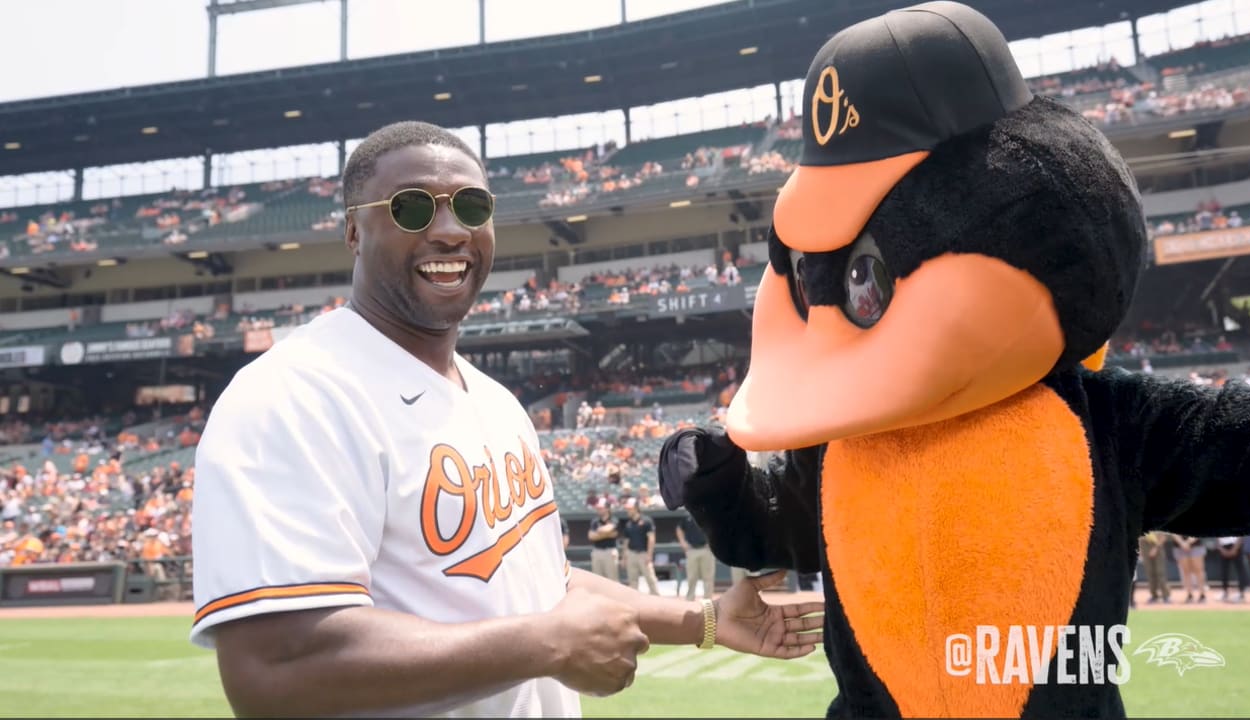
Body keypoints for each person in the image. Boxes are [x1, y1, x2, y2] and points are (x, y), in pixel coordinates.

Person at [189, 121, 824, 719]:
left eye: (471, 207)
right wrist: (543, 644)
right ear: (354, 232)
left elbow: (540, 582)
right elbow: (273, 667)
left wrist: (706, 621)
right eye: (412, 208)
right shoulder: (293, 394)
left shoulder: (494, 400)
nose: (449, 231)